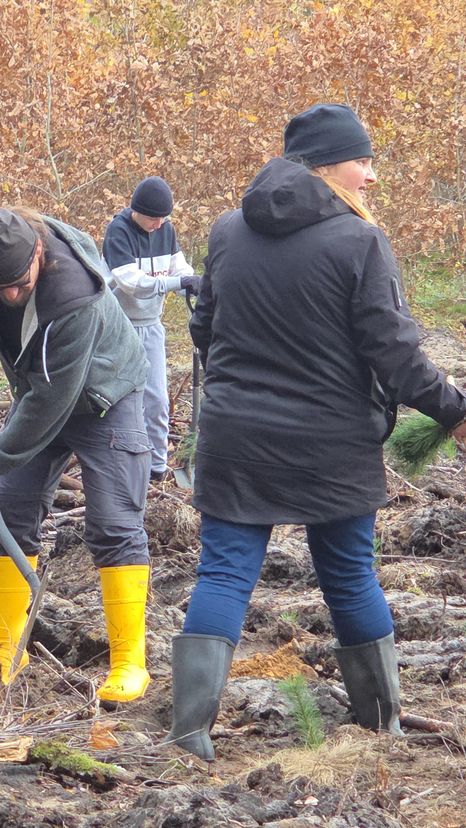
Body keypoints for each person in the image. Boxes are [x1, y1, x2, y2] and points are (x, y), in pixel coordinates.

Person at [168, 103, 466, 761]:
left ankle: (189, 731)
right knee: (351, 577)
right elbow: (395, 352)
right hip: (330, 444)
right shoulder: (359, 242)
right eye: (364, 160)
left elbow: (204, 332)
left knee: (222, 574)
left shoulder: (226, 231)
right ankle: (381, 725)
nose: (372, 176)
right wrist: (453, 409)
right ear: (330, 163)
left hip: (235, 438)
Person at [0, 207, 154, 703]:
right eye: (0, 285)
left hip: (105, 398)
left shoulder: (76, 295)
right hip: (40, 391)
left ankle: (129, 663)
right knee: (11, 510)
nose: (9, 294)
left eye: (19, 283)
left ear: (38, 253)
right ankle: (8, 647)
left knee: (114, 522)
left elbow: (53, 402)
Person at [102, 177, 201, 482]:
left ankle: (157, 468)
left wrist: (193, 283)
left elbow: (179, 267)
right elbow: (130, 283)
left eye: (164, 218)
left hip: (151, 326)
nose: (159, 224)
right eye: (154, 218)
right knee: (123, 401)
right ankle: (120, 467)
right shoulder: (118, 231)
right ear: (136, 211)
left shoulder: (165, 230)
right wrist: (175, 283)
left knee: (157, 400)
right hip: (119, 328)